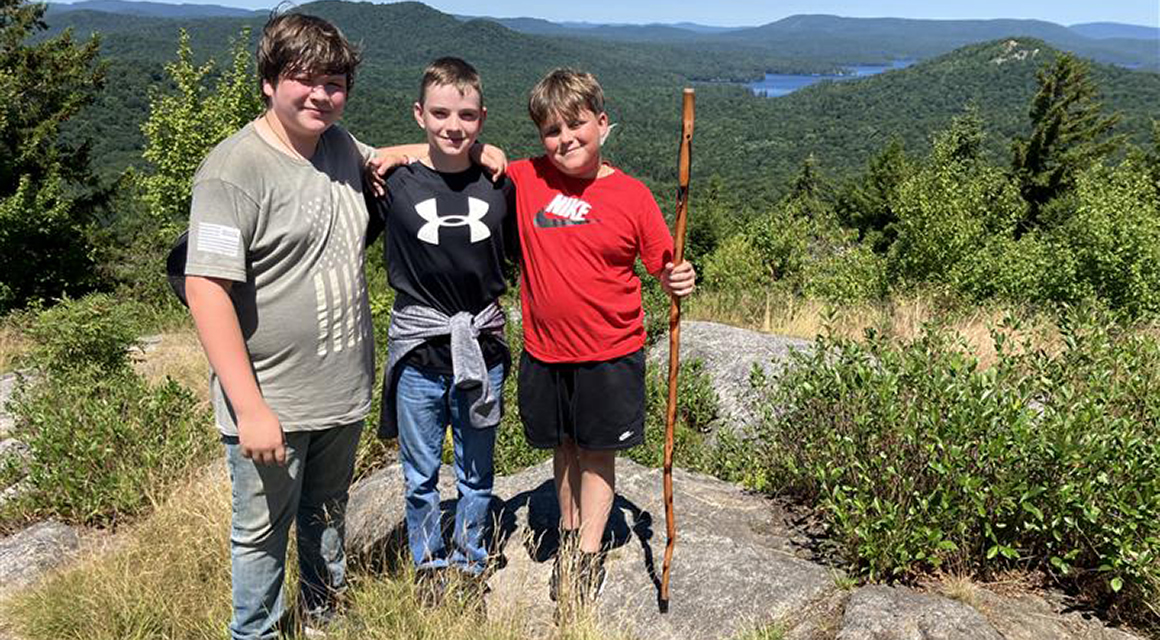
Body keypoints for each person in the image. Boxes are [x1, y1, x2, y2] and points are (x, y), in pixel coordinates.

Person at [184, 12, 396, 638]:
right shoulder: (233, 171)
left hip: (341, 389)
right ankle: (258, 632)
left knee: (328, 515)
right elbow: (207, 289)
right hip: (273, 398)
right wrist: (251, 409)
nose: (321, 96)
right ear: (269, 83)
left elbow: (387, 156)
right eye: (304, 80)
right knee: (260, 534)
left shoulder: (336, 145)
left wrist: (478, 150)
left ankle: (326, 615)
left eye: (334, 83)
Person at [505, 68, 696, 605]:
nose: (565, 138)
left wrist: (679, 275)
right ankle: (568, 533)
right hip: (544, 350)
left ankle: (587, 555)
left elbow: (664, 265)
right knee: (563, 449)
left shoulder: (632, 196)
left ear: (602, 123)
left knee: (597, 454)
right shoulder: (523, 177)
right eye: (551, 129)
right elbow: (459, 152)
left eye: (576, 124)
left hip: (610, 352)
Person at [371, 56, 516, 604]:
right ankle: (429, 567)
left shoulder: (501, 183)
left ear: (482, 118)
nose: (453, 126)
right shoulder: (392, 181)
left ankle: (471, 564)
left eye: (467, 116)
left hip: (482, 347)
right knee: (421, 476)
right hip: (419, 352)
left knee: (477, 473)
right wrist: (395, 153)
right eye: (440, 113)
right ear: (419, 114)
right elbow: (343, 155)